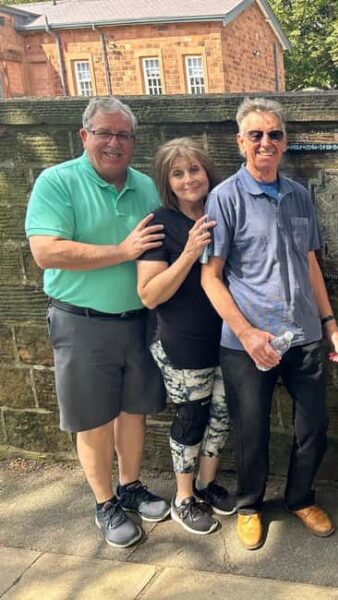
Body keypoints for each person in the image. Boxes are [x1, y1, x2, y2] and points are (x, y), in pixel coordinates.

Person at [201, 97, 338, 551]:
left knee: (314, 426)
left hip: (303, 334)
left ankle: (301, 497)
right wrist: (246, 334)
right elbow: (211, 277)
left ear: (284, 143)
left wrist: (329, 322)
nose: (266, 142)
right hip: (248, 341)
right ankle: (249, 506)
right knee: (253, 430)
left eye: (275, 134)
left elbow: (310, 264)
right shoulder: (224, 198)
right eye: (257, 134)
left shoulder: (300, 195)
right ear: (241, 141)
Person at [25, 96, 169, 548]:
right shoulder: (58, 182)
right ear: (84, 135)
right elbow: (46, 251)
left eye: (123, 135)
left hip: (137, 320)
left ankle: (129, 486)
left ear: (133, 141)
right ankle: (105, 502)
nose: (114, 143)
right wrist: (121, 252)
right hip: (82, 321)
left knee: (132, 411)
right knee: (93, 418)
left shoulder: (145, 186)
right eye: (104, 133)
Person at [137, 138, 235, 535]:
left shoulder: (222, 210)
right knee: (191, 416)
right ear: (167, 181)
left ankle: (207, 485)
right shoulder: (159, 223)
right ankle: (183, 498)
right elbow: (149, 294)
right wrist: (190, 252)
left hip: (225, 335)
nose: (189, 179)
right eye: (178, 173)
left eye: (194, 169)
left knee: (224, 413)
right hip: (179, 339)